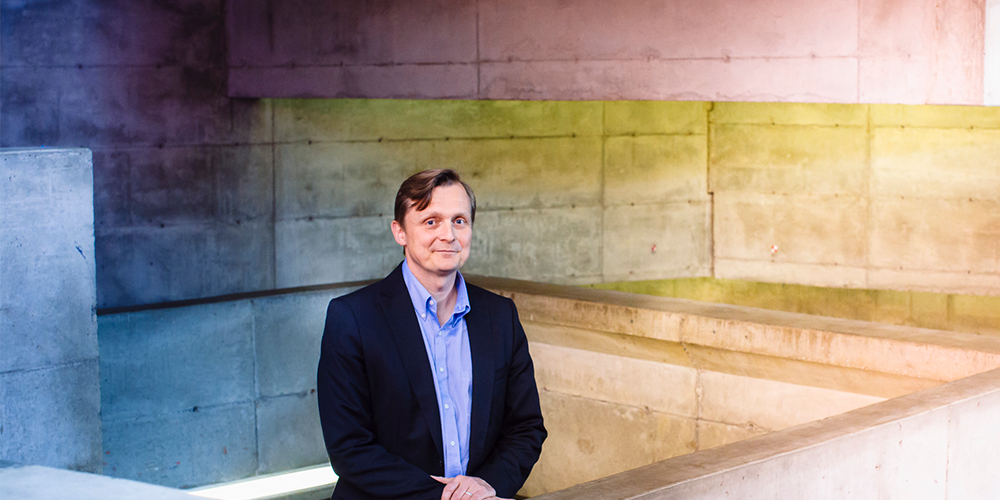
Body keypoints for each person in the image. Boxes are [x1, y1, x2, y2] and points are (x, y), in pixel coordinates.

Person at [317, 169, 546, 500]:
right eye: (430, 221)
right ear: (400, 232)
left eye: (459, 221)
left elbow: (526, 427)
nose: (448, 234)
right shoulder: (353, 317)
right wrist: (447, 497)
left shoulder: (500, 316)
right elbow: (349, 447)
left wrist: (486, 485)